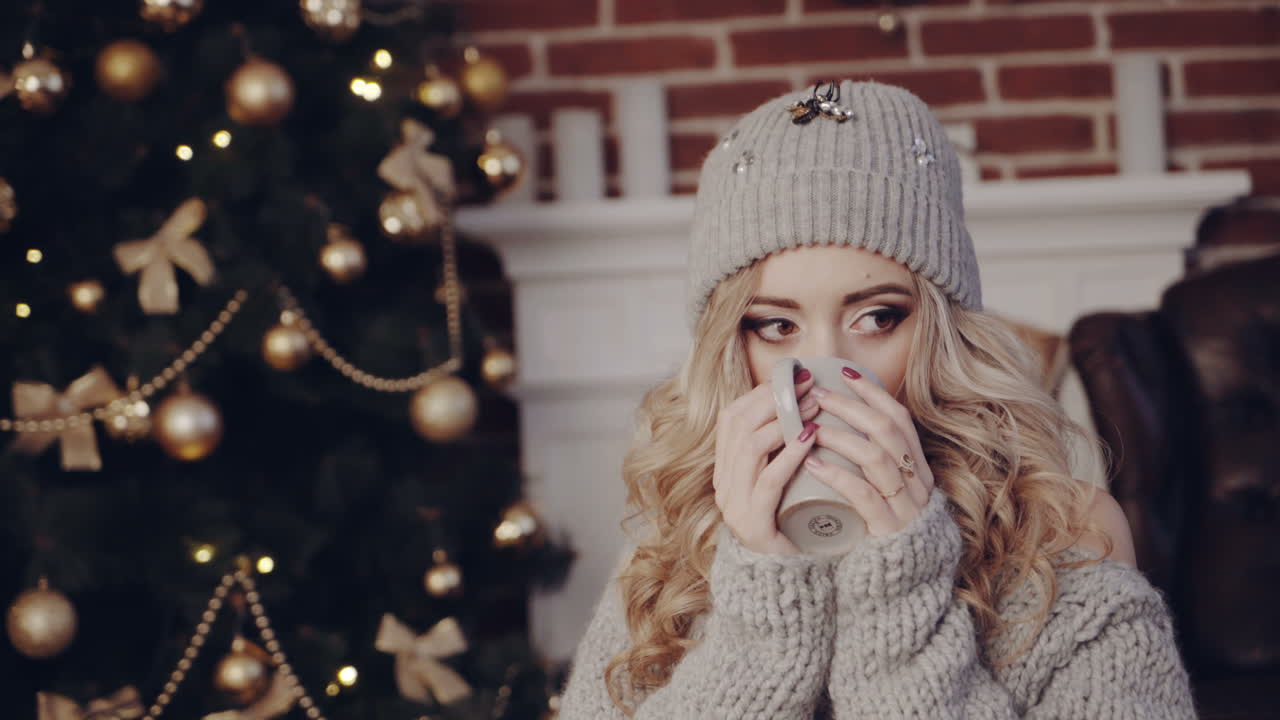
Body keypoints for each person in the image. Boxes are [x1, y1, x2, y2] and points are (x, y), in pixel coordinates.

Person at [556, 79, 1197, 719]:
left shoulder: (1064, 533)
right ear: (733, 346)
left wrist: (903, 600)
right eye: (776, 326)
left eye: (878, 317)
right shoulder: (672, 547)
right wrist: (758, 623)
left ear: (941, 329)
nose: (828, 369)